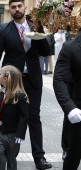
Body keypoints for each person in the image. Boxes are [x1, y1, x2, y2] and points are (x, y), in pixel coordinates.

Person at [0, 0, 52, 169]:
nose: (17, 9)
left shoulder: (34, 27)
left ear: (25, 7)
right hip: (12, 82)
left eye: (19, 6)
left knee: (34, 118)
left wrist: (39, 30)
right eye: (13, 7)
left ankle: (39, 158)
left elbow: (46, 52)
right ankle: (11, 156)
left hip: (32, 80)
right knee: (12, 117)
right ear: (10, 10)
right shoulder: (4, 30)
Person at [0, 65, 29, 170]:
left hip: (14, 134)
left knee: (11, 158)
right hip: (1, 131)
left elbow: (24, 116)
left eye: (0, 74)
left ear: (5, 79)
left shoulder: (20, 96)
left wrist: (21, 134)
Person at [53, 28, 81, 170]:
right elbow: (59, 80)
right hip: (79, 109)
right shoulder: (70, 48)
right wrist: (70, 108)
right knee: (74, 154)